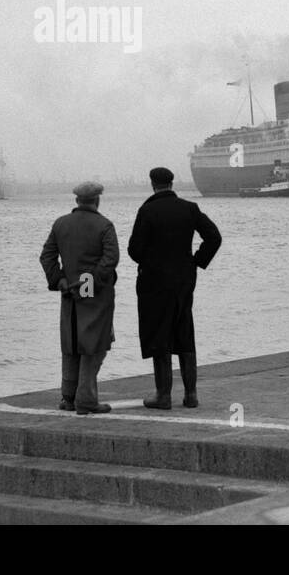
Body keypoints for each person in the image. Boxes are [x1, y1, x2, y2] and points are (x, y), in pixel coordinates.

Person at [127, 167, 222, 410]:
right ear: (172, 183)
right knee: (184, 333)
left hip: (155, 284)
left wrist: (152, 261)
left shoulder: (147, 211)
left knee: (160, 336)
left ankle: (163, 395)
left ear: (153, 184)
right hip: (184, 281)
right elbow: (214, 237)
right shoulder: (189, 208)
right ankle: (191, 395)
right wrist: (197, 261)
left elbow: (134, 250)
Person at [39, 181, 119, 416]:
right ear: (97, 200)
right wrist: (89, 282)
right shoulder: (104, 225)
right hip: (94, 294)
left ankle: (68, 397)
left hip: (69, 293)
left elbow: (47, 257)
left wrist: (60, 280)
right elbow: (111, 259)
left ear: (77, 200)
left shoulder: (60, 224)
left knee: (71, 344)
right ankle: (86, 399)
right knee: (94, 345)